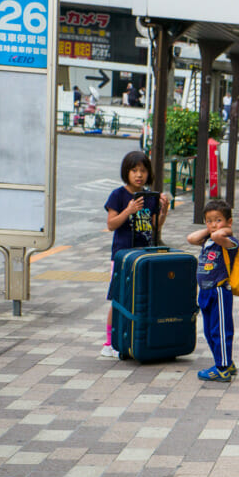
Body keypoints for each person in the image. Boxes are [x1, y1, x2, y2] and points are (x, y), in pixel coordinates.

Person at [102, 151, 170, 357]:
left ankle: (133, 338)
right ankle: (109, 343)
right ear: (126, 172)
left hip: (143, 255)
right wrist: (128, 211)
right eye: (134, 171)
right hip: (123, 256)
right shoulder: (118, 195)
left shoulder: (149, 197)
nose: (139, 175)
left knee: (140, 297)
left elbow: (153, 227)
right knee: (118, 299)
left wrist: (164, 211)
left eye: (143, 171)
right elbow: (111, 224)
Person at [187, 198, 239, 382]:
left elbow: (220, 236)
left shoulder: (229, 241)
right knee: (209, 331)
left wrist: (224, 230)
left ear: (229, 222)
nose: (213, 224)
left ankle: (222, 369)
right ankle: (224, 361)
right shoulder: (207, 240)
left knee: (221, 330)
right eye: (209, 220)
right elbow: (191, 238)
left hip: (219, 291)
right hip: (205, 292)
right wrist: (210, 229)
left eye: (218, 220)